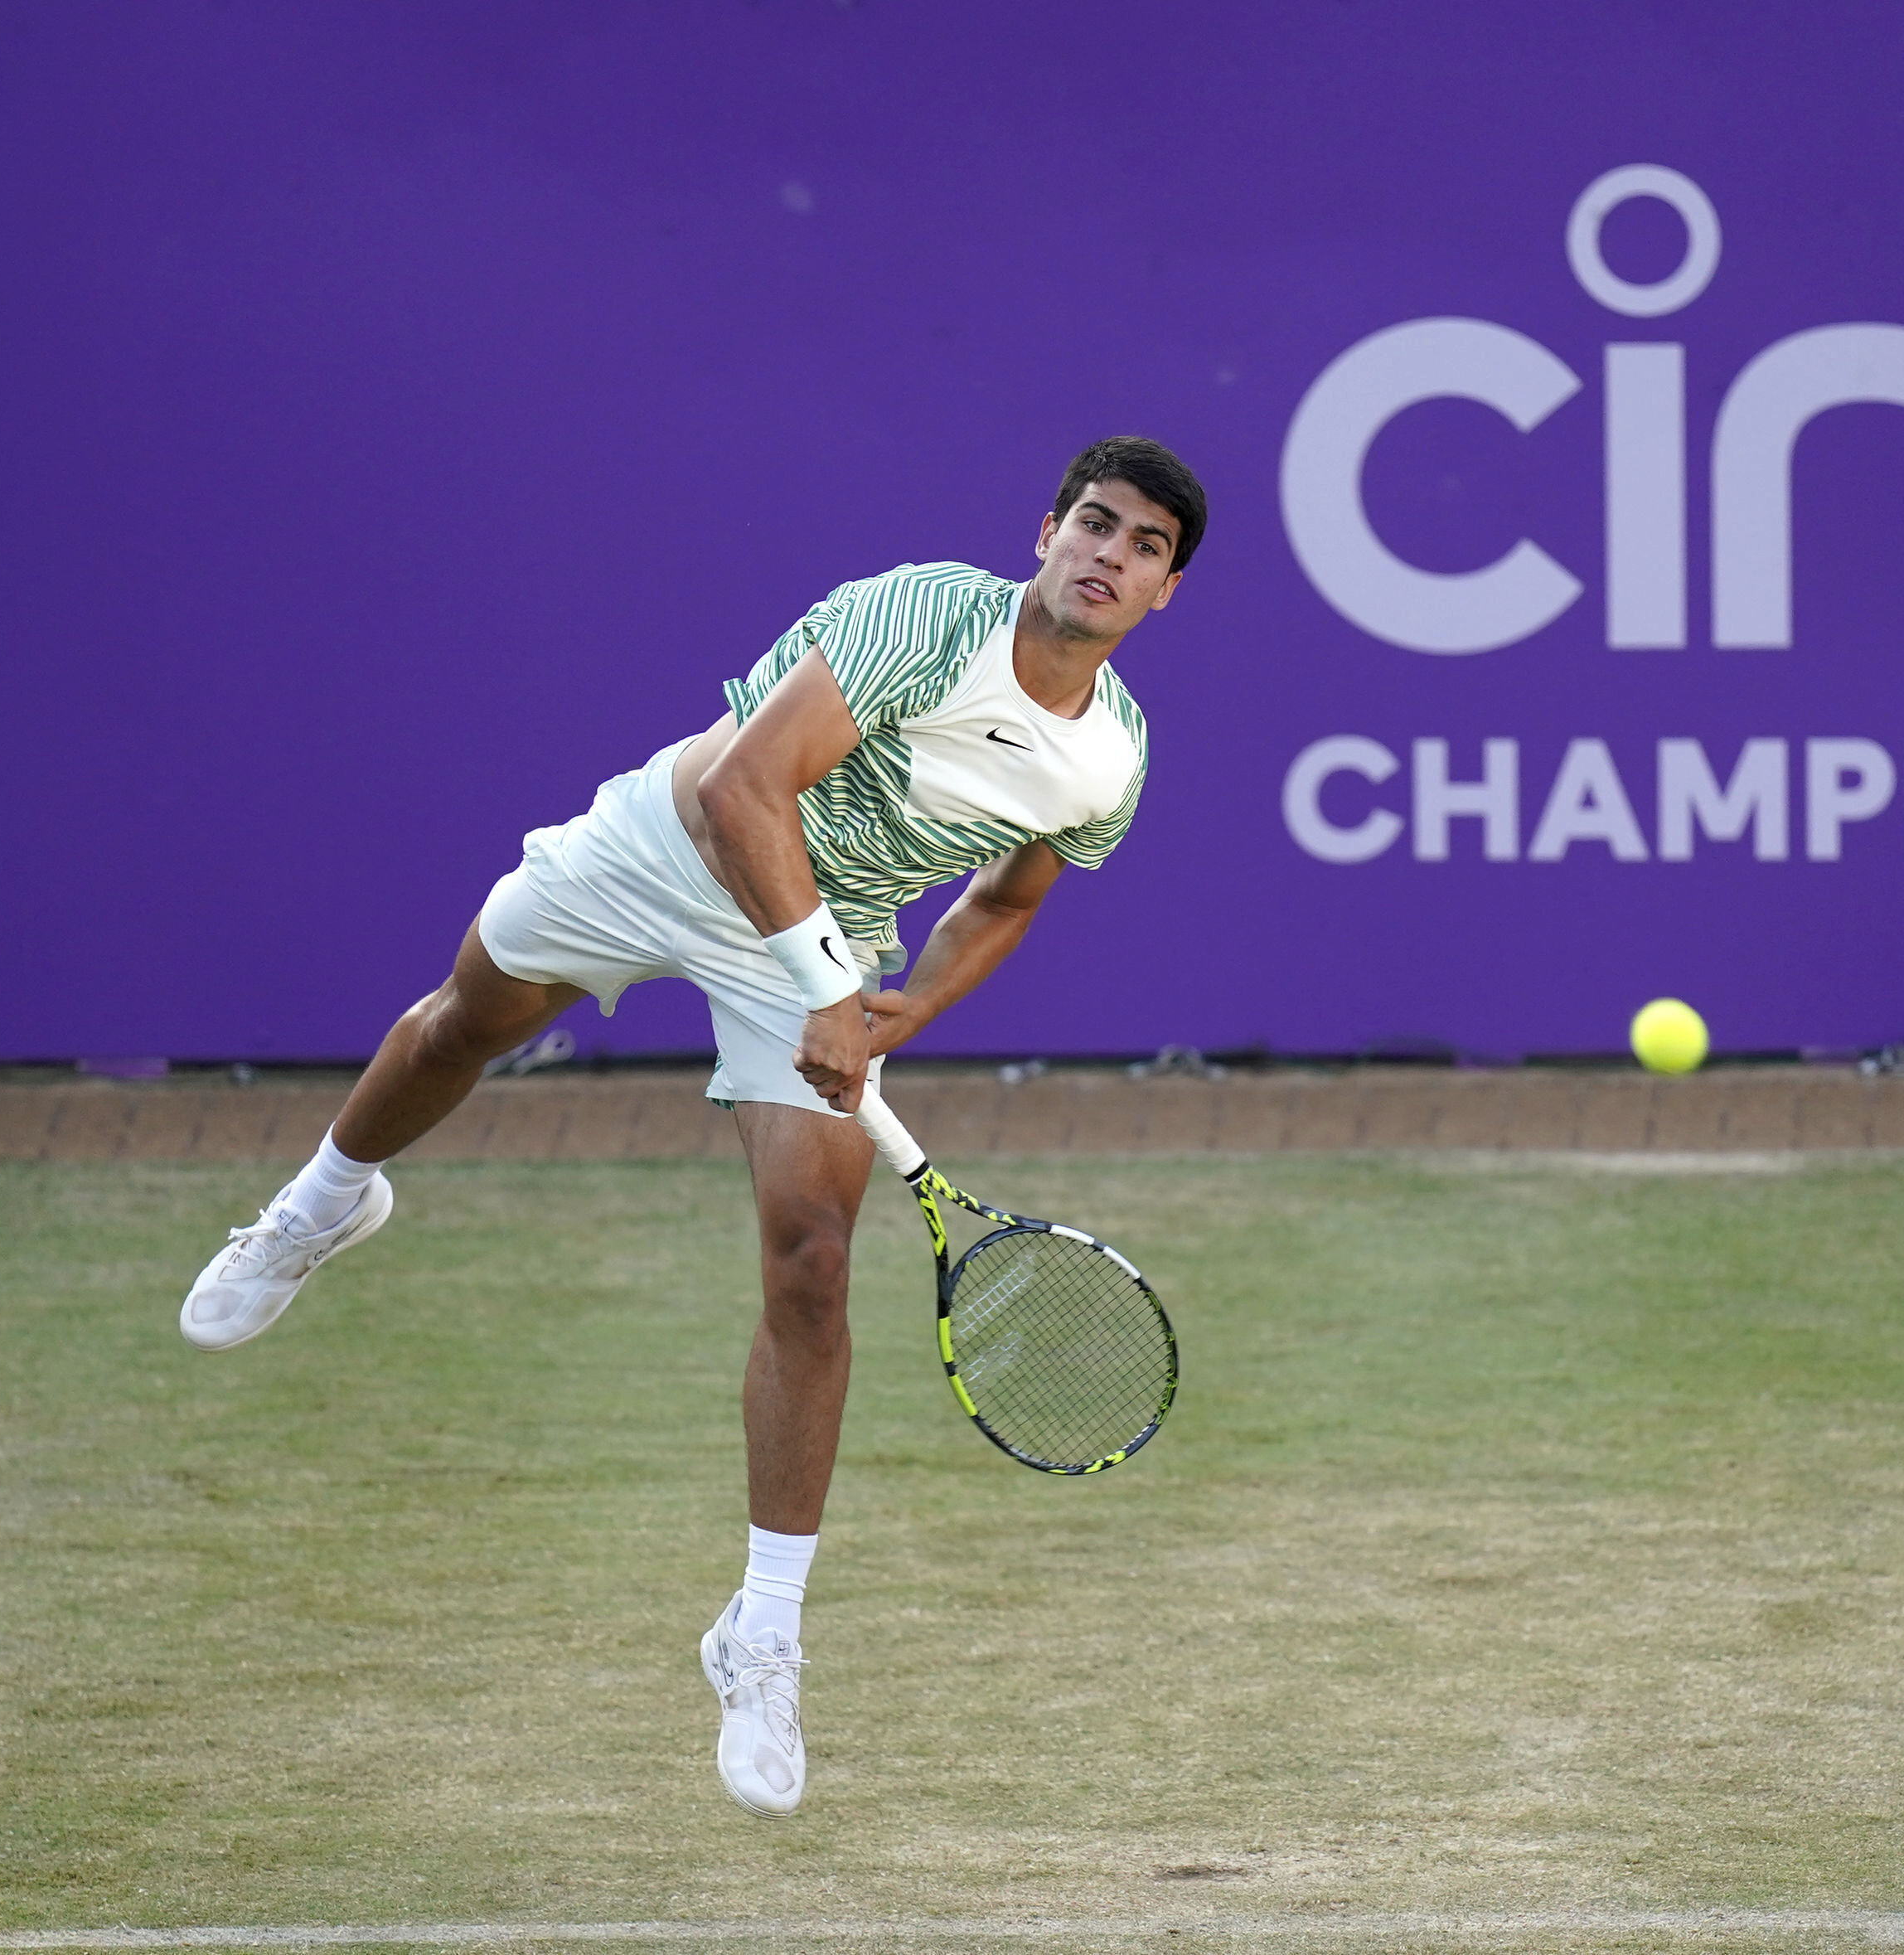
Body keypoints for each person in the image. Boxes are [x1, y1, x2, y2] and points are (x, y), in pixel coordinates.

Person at [177, 436, 1205, 1818]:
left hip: (830, 936)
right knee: (465, 1022)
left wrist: (903, 1006)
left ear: (1163, 593)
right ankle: (326, 1196)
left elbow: (1014, 895)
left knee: (811, 1261)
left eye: (1143, 546)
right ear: (1046, 531)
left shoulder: (1114, 759)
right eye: (1096, 522)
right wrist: (829, 991)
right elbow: (743, 792)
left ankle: (762, 1633)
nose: (1109, 554)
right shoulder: (924, 615)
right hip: (670, 852)